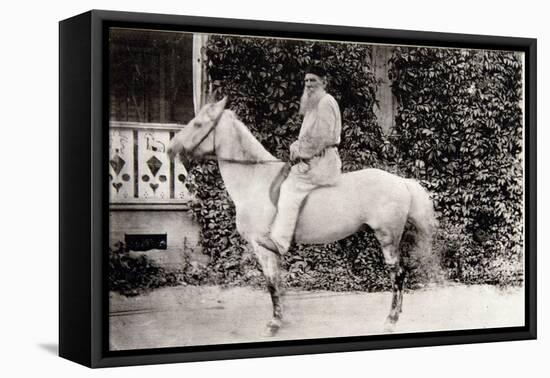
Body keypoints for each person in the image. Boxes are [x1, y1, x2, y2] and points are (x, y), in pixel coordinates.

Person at [257, 65, 342, 254]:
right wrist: (296, 146)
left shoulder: (325, 102)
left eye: (313, 81)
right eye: (306, 81)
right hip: (314, 160)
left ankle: (280, 242)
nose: (309, 85)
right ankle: (273, 228)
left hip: (323, 162)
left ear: (324, 82)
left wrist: (302, 152)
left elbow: (324, 137)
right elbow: (308, 136)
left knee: (289, 188)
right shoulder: (314, 105)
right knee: (279, 178)